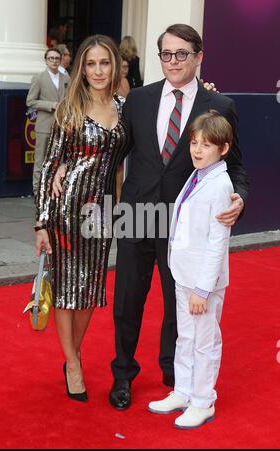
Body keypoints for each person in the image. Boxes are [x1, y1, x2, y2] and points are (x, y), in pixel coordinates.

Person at [108, 23, 249, 411]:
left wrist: (239, 198)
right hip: (136, 215)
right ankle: (123, 375)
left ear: (199, 57)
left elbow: (236, 168)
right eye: (166, 54)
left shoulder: (219, 107)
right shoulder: (137, 99)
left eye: (182, 54)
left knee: (180, 306)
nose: (173, 62)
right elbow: (115, 159)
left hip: (184, 226)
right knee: (127, 303)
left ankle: (176, 377)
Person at [35, 35, 128, 402]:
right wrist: (41, 222)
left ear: (115, 65)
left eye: (104, 63)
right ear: (82, 69)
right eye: (90, 64)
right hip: (66, 210)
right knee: (65, 287)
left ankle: (72, 352)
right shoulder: (68, 108)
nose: (98, 71)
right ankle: (73, 363)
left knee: (90, 290)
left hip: (102, 214)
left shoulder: (125, 107)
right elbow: (49, 166)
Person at [148, 110, 233, 429]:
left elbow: (216, 243)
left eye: (207, 144)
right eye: (194, 142)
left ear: (223, 149)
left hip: (202, 282)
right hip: (183, 274)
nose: (197, 150)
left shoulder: (220, 185)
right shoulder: (197, 174)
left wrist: (202, 288)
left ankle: (203, 400)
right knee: (185, 336)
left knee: (204, 340)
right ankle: (182, 390)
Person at [26, 48, 70, 196]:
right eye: (51, 58)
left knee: (60, 159)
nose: (54, 61)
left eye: (57, 58)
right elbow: (30, 102)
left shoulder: (66, 79)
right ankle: (38, 192)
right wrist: (50, 105)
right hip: (44, 125)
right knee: (40, 161)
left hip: (62, 125)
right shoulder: (39, 78)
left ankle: (55, 190)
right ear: (46, 60)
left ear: (60, 60)